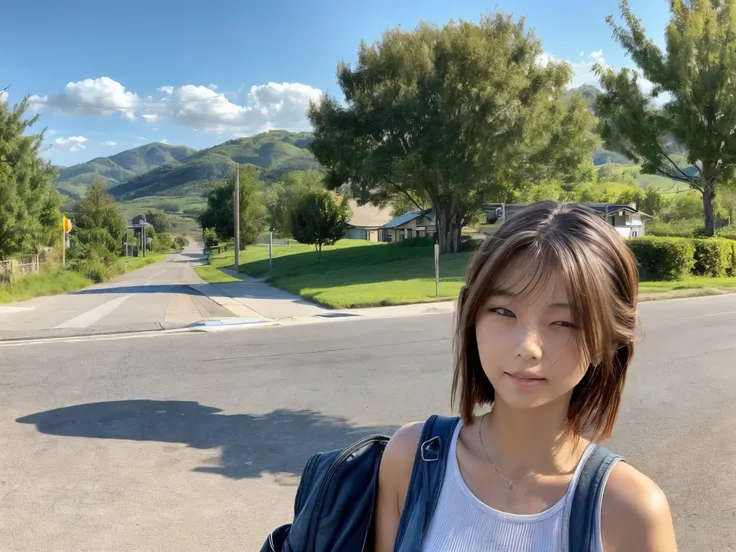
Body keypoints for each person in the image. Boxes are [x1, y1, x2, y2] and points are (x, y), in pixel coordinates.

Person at [374, 201, 678, 551]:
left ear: (604, 342)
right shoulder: (412, 458)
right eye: (503, 311)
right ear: (472, 316)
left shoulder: (632, 511)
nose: (527, 347)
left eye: (564, 322)